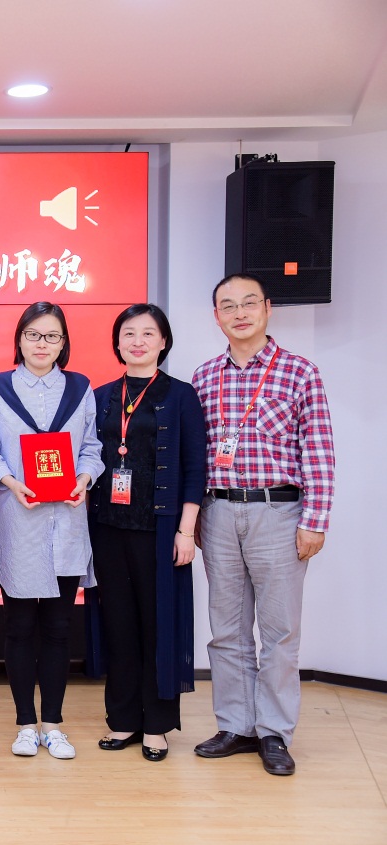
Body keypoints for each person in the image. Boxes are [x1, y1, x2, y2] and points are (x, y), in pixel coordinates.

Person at [191, 274, 334, 776]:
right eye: (228, 306)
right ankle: (236, 725)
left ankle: (274, 731)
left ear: (267, 308)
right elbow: (198, 454)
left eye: (249, 303)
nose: (240, 313)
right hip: (218, 512)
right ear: (217, 317)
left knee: (279, 630)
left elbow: (318, 451)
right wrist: (196, 518)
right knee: (226, 629)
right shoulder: (204, 377)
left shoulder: (299, 371)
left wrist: (315, 520)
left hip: (279, 513)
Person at [0, 301, 104, 761]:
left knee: (58, 628)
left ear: (63, 342)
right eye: (34, 335)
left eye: (52, 336)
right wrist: (11, 482)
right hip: (19, 520)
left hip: (66, 522)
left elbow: (92, 446)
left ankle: (53, 724)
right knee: (19, 627)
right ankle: (25, 725)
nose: (42, 344)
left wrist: (83, 479)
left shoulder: (80, 388)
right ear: (20, 339)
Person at [88, 304, 205, 762]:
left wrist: (186, 530)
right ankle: (122, 720)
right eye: (129, 334)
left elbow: (195, 467)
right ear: (117, 343)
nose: (137, 341)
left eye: (148, 333)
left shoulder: (181, 395)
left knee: (158, 625)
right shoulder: (100, 396)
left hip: (159, 531)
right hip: (107, 528)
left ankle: (156, 725)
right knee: (118, 625)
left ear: (163, 342)